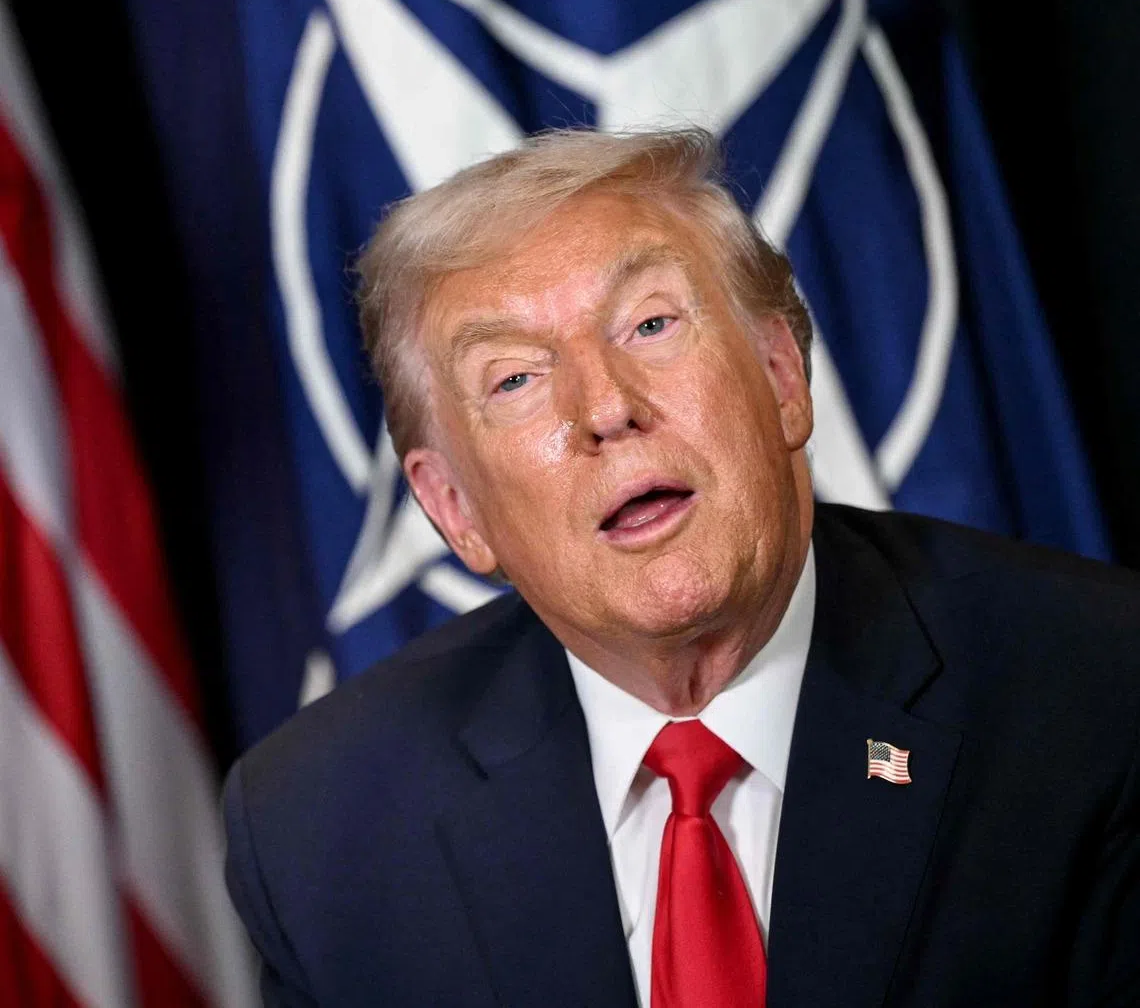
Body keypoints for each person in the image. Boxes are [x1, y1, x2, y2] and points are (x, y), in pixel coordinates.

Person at [223, 128, 1140, 1007]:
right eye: (514, 379)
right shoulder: (321, 825)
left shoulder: (1096, 690)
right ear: (455, 510)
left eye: (650, 324)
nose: (607, 408)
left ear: (782, 375)